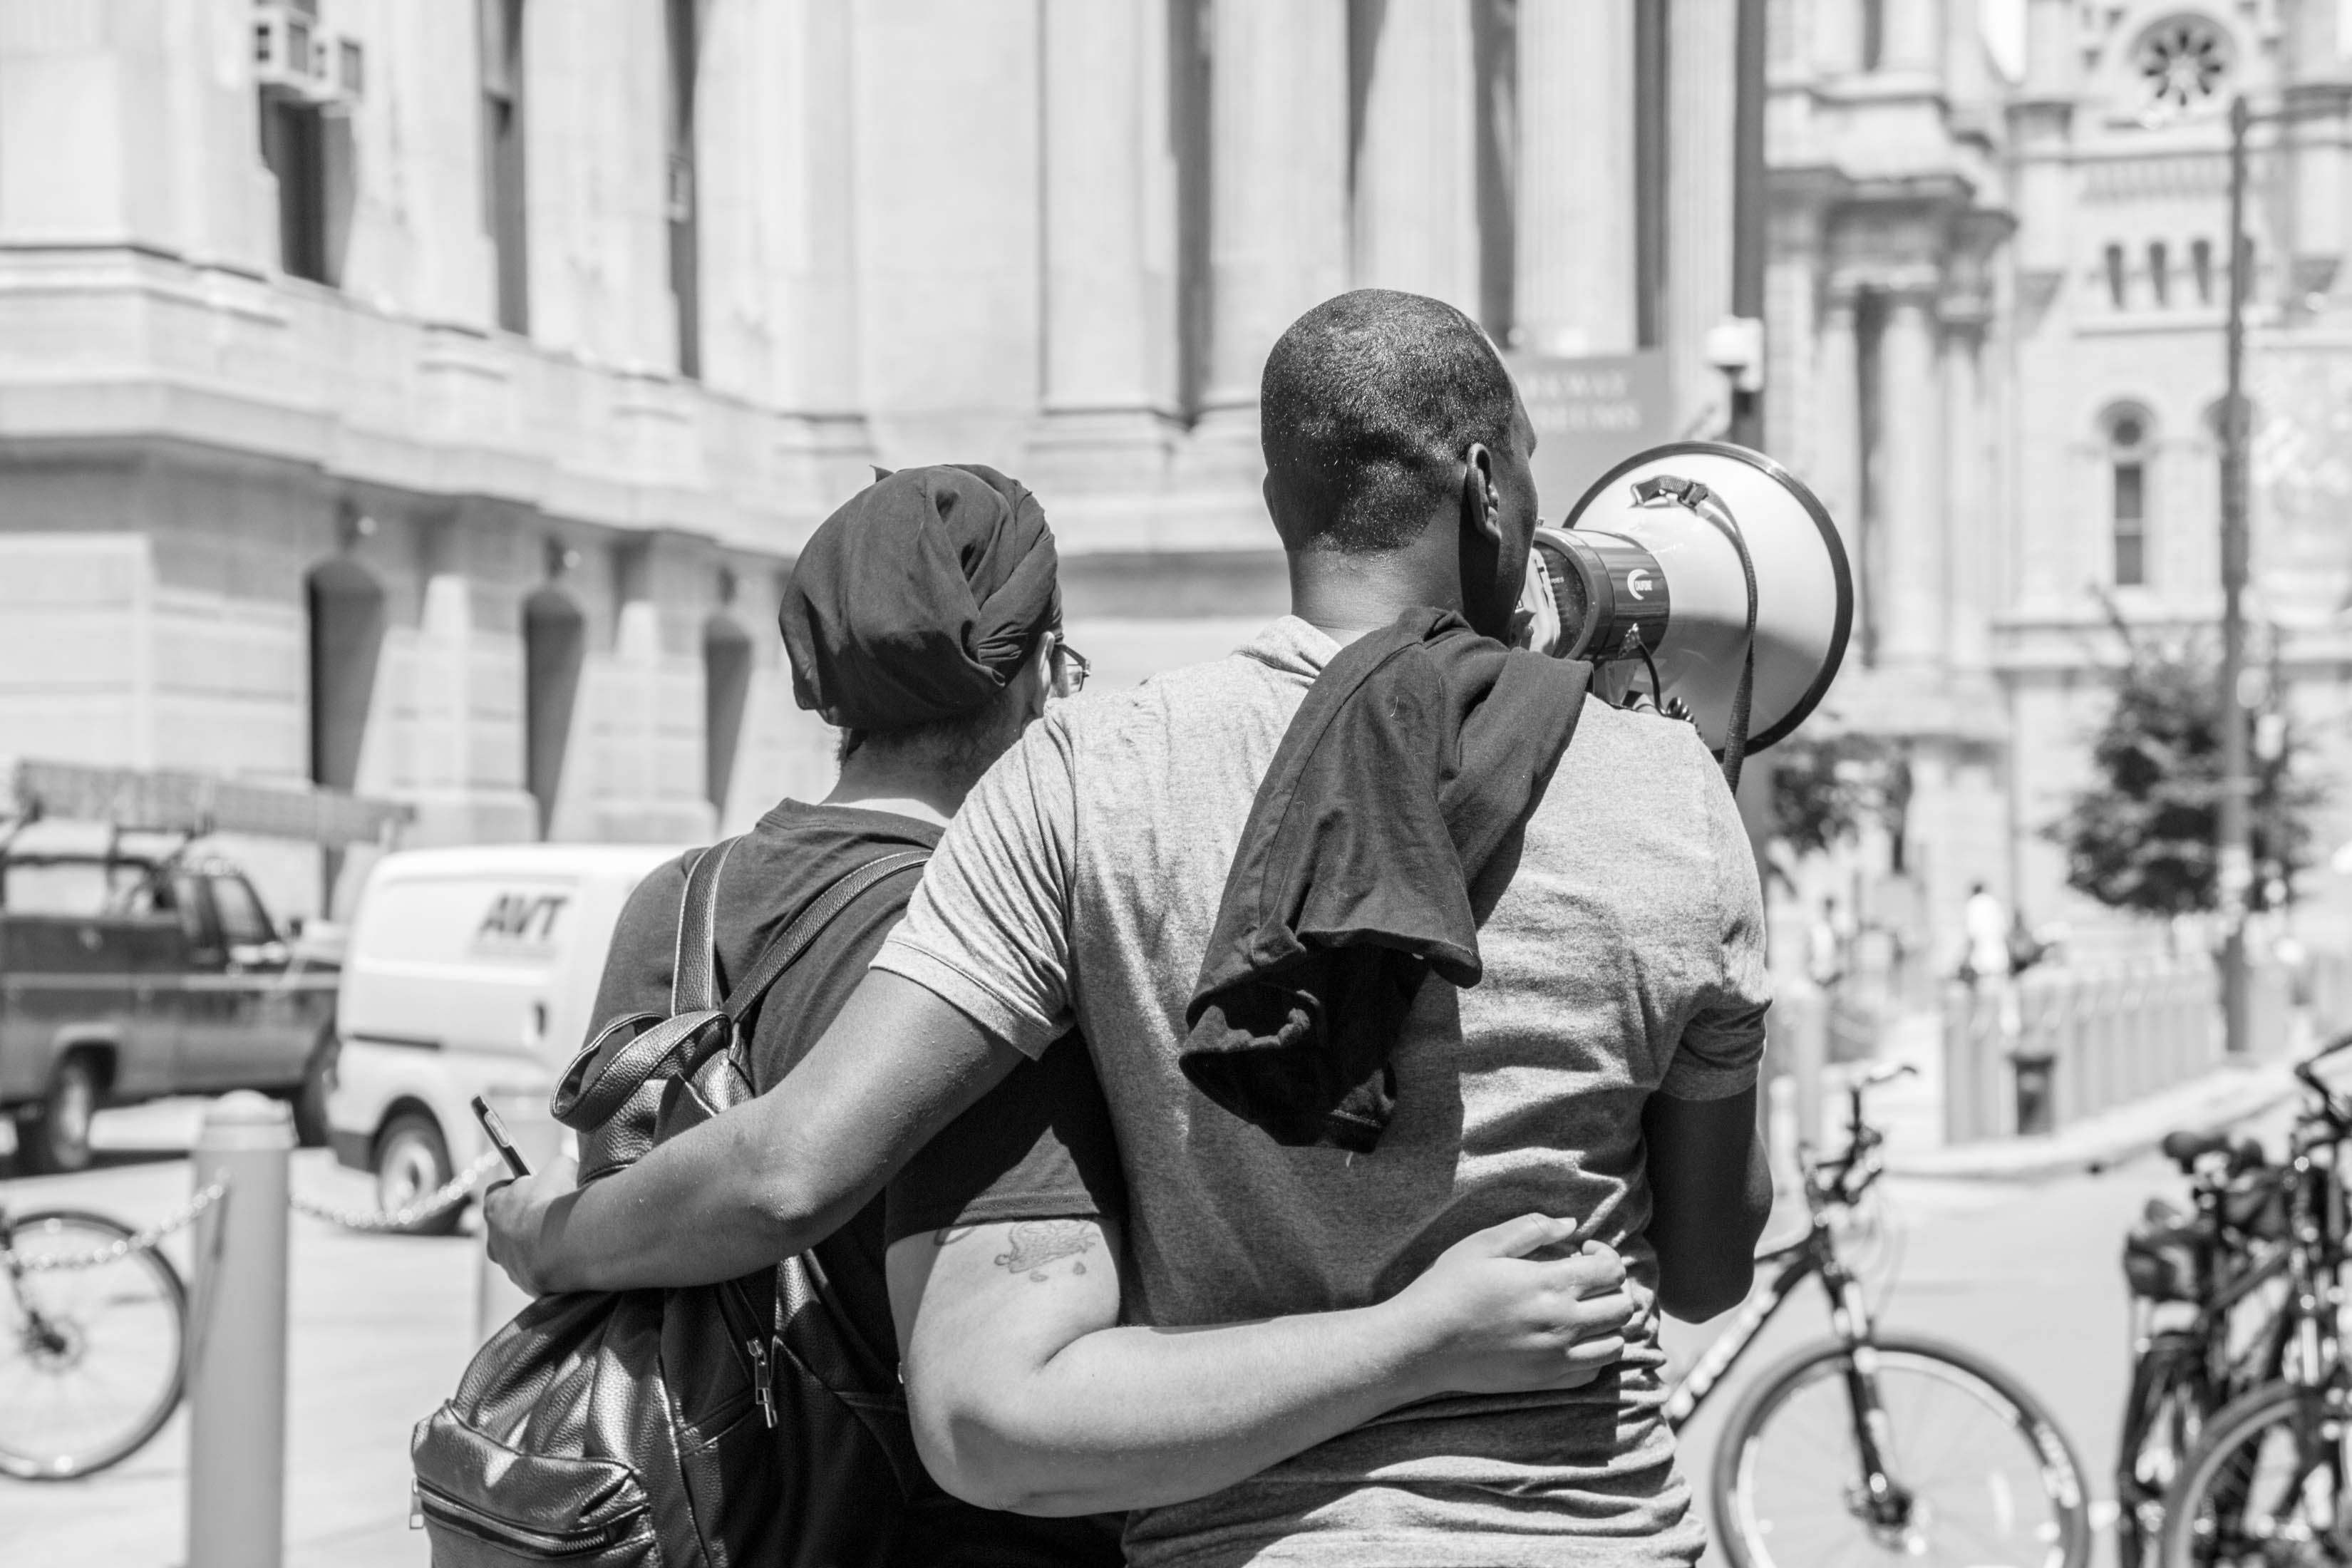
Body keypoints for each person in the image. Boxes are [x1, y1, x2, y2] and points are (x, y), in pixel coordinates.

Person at [490, 290, 1770, 1564]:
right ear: (1489, 486)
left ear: (1276, 503)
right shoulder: (1669, 793)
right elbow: (1711, 1266)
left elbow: (795, 1170)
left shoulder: (1081, 780)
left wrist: (543, 1234)